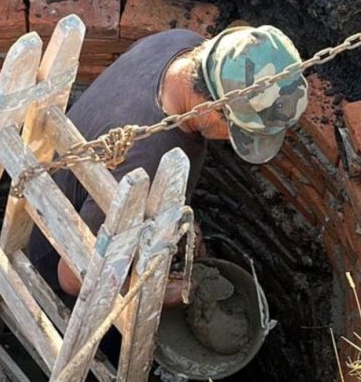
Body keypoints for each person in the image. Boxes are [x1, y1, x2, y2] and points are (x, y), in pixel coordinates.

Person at [28, 25, 309, 308]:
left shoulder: (181, 43)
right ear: (210, 109)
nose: (231, 142)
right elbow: (73, 277)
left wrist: (179, 222)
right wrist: (157, 295)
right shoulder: (144, 163)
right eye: (237, 132)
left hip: (106, 214)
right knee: (112, 342)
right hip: (56, 260)